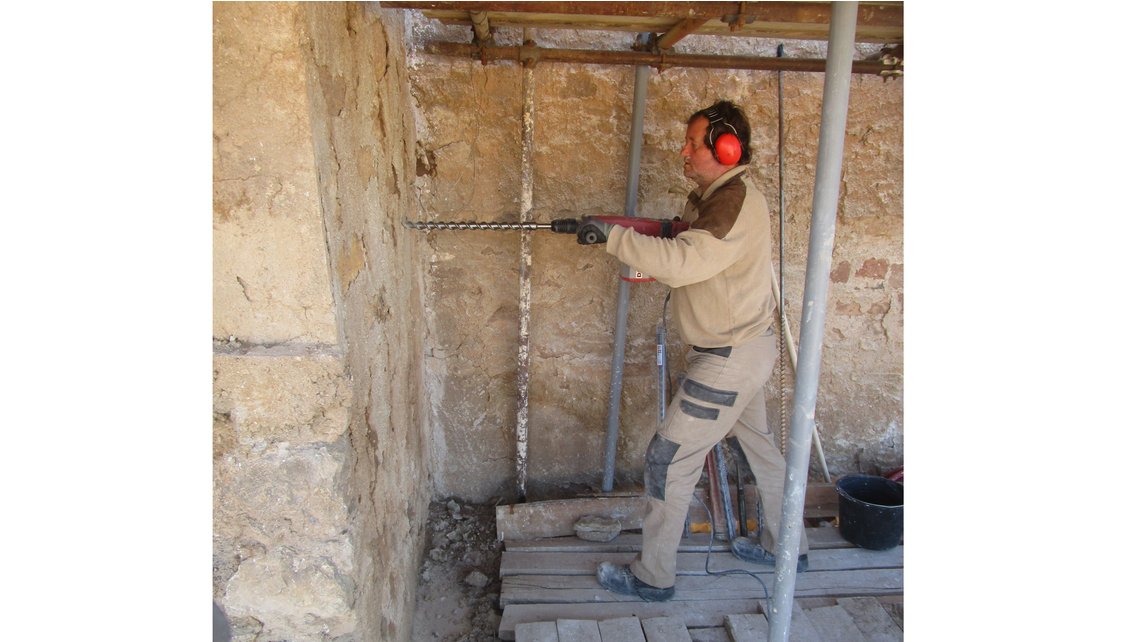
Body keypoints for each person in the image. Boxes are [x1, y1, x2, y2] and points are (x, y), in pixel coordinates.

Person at [578, 100, 810, 602]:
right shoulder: (717, 198)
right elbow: (692, 242)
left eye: (693, 142)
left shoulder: (731, 202)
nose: (683, 151)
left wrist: (615, 237)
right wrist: (654, 230)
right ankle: (789, 546)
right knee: (762, 451)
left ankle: (652, 576)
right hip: (746, 349)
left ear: (727, 148)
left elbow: (686, 262)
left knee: (668, 457)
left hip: (727, 359)